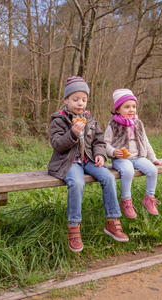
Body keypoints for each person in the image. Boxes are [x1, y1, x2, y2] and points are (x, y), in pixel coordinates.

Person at [48, 76, 129, 253]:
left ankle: (113, 221)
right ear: (66, 100)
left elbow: (99, 141)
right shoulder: (59, 121)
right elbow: (57, 145)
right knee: (77, 183)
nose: (80, 103)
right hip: (68, 162)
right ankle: (74, 227)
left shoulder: (90, 120)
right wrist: (72, 134)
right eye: (75, 99)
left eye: (83, 100)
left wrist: (100, 155)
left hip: (89, 160)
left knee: (108, 177)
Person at [104, 88, 162, 219]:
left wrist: (153, 158)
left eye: (133, 106)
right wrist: (113, 151)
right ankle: (126, 201)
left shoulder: (138, 124)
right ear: (118, 110)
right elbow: (105, 144)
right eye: (127, 107)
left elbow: (146, 142)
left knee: (153, 170)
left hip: (138, 157)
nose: (131, 110)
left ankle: (149, 198)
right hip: (121, 159)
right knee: (128, 171)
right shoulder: (113, 125)